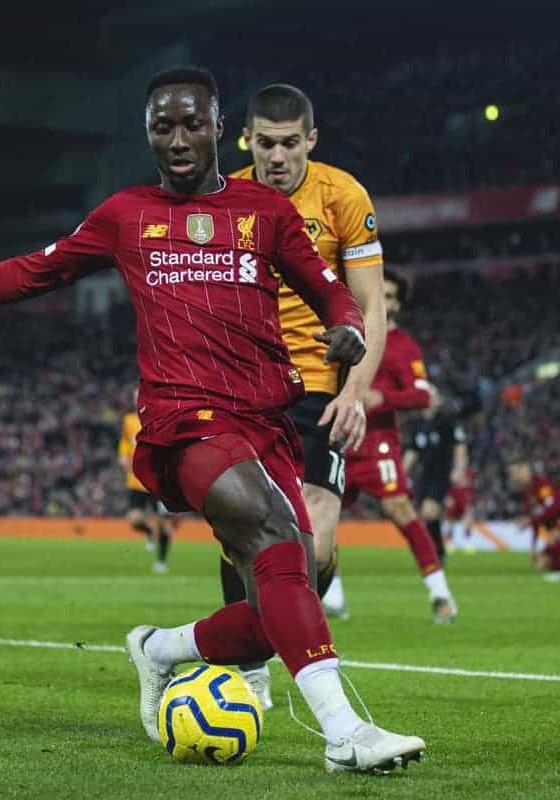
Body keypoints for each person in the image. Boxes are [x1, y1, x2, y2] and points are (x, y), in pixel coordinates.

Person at [0, 66, 426, 774]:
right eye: (164, 126)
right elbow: (27, 273)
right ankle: (347, 734)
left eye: (192, 124)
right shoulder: (126, 215)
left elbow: (331, 293)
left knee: (273, 611)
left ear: (220, 129)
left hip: (268, 421)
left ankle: (159, 649)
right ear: (149, 135)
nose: (179, 138)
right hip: (184, 423)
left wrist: (345, 329)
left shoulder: (265, 213)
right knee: (279, 539)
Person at [222, 83, 387, 703]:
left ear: (311, 141)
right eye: (265, 143)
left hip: (319, 386)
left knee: (314, 545)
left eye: (290, 143)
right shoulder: (225, 201)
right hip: (242, 387)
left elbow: (371, 306)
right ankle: (250, 671)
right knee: (243, 531)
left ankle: (263, 641)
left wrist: (356, 394)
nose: (278, 156)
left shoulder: (343, 196)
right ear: (248, 141)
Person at [343, 270, 457, 623]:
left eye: (392, 296)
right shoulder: (346, 334)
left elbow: (424, 395)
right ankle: (330, 599)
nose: (386, 301)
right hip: (338, 438)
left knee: (400, 509)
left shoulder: (404, 345)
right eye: (382, 293)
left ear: (398, 304)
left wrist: (383, 397)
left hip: (377, 442)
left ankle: (440, 594)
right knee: (316, 518)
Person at [404, 392, 469, 561]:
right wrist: (402, 471)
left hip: (441, 473)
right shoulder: (417, 424)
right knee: (425, 514)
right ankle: (437, 550)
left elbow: (459, 445)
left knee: (429, 510)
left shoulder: (446, 421)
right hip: (423, 475)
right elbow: (413, 450)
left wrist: (459, 468)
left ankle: (436, 552)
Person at [118, 397, 174, 573]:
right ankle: (149, 532)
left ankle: (161, 562)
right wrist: (123, 456)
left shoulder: (162, 418)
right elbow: (126, 442)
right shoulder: (129, 420)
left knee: (164, 525)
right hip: (136, 481)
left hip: (158, 481)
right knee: (134, 520)